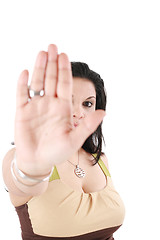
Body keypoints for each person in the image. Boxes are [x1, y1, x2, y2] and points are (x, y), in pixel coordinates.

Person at [2, 44, 125, 240]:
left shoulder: (100, 160)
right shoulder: (19, 158)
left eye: (88, 103)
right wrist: (33, 168)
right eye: (68, 100)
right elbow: (24, 179)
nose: (78, 112)